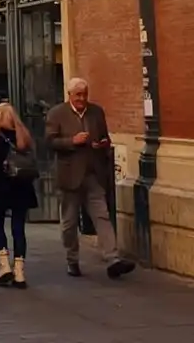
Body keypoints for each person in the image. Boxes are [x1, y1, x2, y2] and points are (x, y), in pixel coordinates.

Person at [46, 77, 134, 279]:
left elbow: (105, 137)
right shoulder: (57, 113)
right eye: (78, 95)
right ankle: (72, 259)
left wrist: (102, 144)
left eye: (84, 94)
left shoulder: (96, 112)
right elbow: (50, 141)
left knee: (102, 215)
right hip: (70, 176)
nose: (82, 99)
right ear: (69, 95)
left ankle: (112, 259)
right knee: (69, 223)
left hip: (93, 173)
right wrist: (72, 141)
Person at [0, 102, 38, 288]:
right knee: (18, 228)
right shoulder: (24, 137)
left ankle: (4, 265)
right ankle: (20, 272)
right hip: (21, 187)